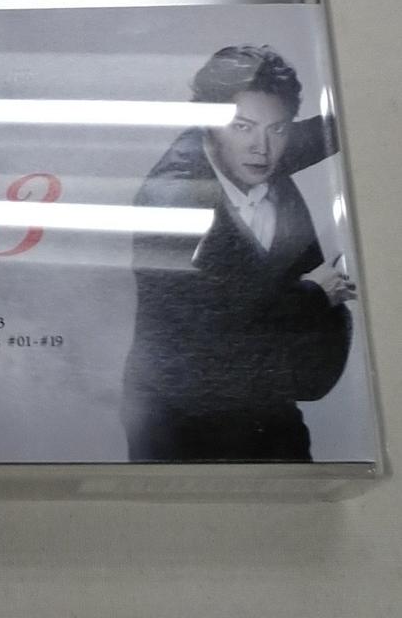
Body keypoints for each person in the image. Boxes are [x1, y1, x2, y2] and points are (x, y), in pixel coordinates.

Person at [121, 44, 354, 462]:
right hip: (181, 420)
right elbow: (206, 326)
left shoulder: (260, 149)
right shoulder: (172, 200)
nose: (261, 148)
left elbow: (331, 129)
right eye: (243, 127)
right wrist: (314, 295)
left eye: (277, 129)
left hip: (269, 404)